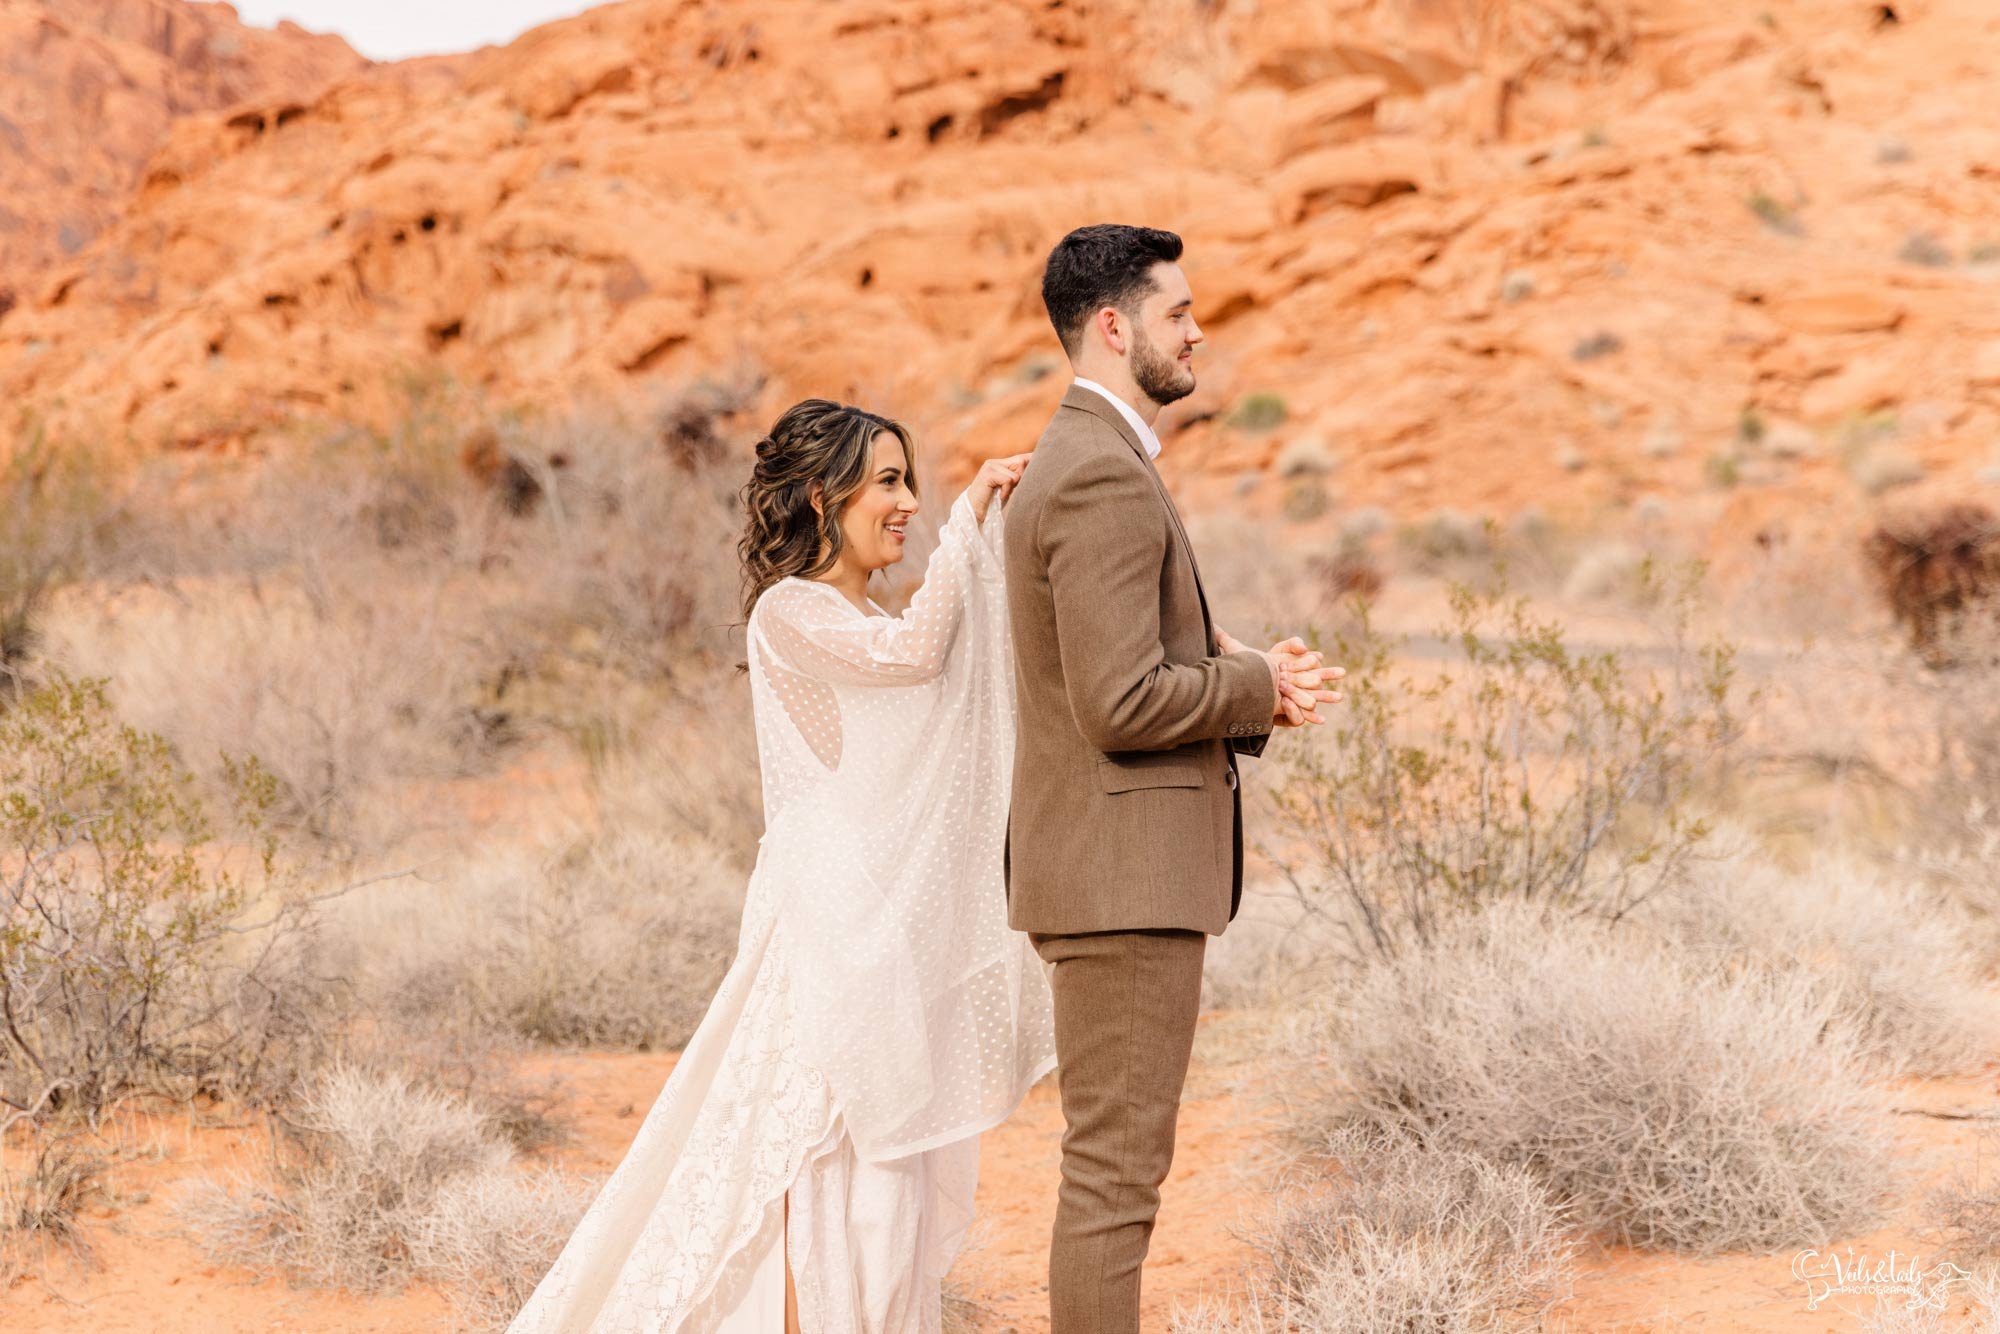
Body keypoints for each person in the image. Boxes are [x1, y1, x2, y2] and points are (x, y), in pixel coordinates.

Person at [507, 399, 1053, 1334]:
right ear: (817, 494)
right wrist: (967, 521)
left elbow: (931, 717)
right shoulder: (791, 612)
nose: (909, 502)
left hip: (879, 929)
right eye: (888, 480)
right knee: (820, 1170)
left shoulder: (862, 611)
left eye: (910, 481)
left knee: (883, 1180)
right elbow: (922, 657)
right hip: (831, 932)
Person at [1003, 223, 1343, 1333]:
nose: (1199, 330)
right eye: (1178, 311)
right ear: (1113, 325)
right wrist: (1246, 685)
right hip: (1120, 881)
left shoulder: (1091, 457)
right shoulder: (1098, 472)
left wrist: (1253, 678)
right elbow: (1117, 702)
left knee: (1113, 1177)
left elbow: (1128, 666)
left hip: (1112, 876)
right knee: (1112, 1185)